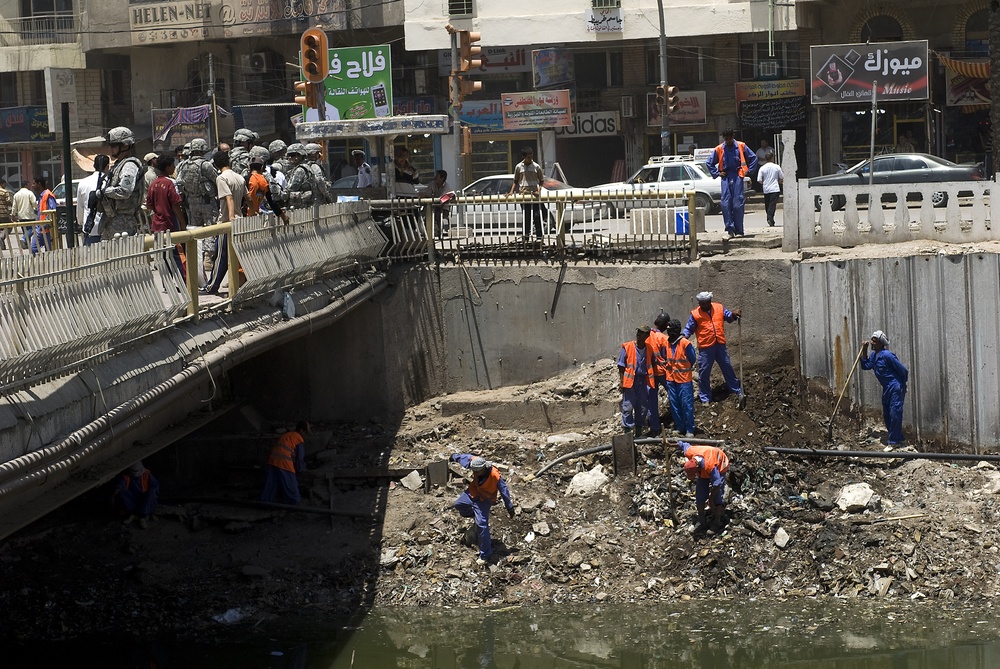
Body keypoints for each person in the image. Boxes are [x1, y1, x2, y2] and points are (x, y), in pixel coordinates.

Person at [449, 453, 515, 565]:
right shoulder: (475, 462)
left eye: (477, 471)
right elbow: (464, 457)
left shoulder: (495, 476)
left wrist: (509, 507)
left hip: (484, 500)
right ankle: (475, 515)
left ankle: (485, 555)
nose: (474, 473)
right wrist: (454, 456)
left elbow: (504, 491)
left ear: (483, 468)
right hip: (473, 492)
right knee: (459, 504)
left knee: (482, 525)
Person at [682, 291, 742, 404]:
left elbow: (728, 316)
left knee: (727, 367)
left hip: (719, 344)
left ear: (709, 301)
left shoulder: (719, 308)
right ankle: (705, 397)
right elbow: (689, 328)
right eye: (701, 303)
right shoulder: (695, 314)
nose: (702, 306)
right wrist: (683, 337)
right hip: (706, 347)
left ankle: (735, 390)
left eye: (704, 303)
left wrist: (734, 314)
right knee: (704, 372)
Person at [202, 150, 247, 296]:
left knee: (220, 256)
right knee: (233, 256)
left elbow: (228, 197)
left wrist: (231, 217)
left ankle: (212, 286)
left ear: (215, 165)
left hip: (227, 223)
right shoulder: (239, 177)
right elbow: (248, 198)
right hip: (240, 222)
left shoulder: (221, 178)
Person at [173, 137, 220, 275]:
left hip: (191, 202)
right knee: (210, 229)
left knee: (195, 230)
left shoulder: (183, 165)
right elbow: (217, 179)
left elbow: (179, 183)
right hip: (206, 202)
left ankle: (196, 258)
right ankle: (207, 258)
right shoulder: (205, 165)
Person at [97, 126, 146, 240]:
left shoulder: (129, 165)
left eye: (114, 145)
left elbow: (125, 191)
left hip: (123, 223)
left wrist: (103, 193)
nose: (110, 149)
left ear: (125, 145)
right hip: (113, 220)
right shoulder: (118, 164)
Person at [860, 330, 909, 445]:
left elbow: (903, 371)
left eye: (874, 340)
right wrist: (864, 350)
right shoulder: (874, 355)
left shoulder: (887, 356)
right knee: (887, 414)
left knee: (895, 413)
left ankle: (894, 442)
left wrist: (902, 385)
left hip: (895, 386)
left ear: (881, 343)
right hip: (887, 388)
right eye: (872, 340)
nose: (872, 342)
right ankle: (898, 438)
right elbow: (866, 366)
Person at [706, 128, 756, 237]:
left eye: (730, 138)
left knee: (738, 204)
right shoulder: (719, 149)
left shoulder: (741, 146)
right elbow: (709, 163)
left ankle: (739, 230)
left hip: (738, 175)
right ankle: (730, 229)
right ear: (724, 138)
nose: (728, 141)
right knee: (725, 203)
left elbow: (753, 158)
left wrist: (749, 171)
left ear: (733, 137)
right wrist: (717, 173)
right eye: (726, 139)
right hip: (726, 177)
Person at [678, 441, 729, 531]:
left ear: (697, 468)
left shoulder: (710, 466)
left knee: (717, 496)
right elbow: (682, 444)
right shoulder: (690, 452)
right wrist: (669, 444)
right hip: (704, 469)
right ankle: (702, 522)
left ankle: (717, 522)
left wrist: (710, 499)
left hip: (720, 464)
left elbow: (717, 484)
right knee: (700, 495)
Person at [617, 325, 656, 434]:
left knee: (642, 407)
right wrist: (621, 381)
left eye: (642, 332)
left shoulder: (649, 348)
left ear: (647, 335)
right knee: (628, 407)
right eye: (638, 331)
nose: (638, 334)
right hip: (630, 382)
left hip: (642, 381)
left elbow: (652, 362)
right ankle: (627, 432)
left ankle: (639, 432)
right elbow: (621, 365)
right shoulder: (628, 347)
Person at [261, 422, 312, 505]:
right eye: (306, 432)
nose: (305, 435)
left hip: (272, 460)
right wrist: (301, 469)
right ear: (302, 430)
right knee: (291, 486)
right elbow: (300, 458)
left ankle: (266, 504)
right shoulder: (298, 438)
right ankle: (294, 504)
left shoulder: (288, 435)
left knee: (270, 486)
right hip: (284, 462)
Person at [664, 318, 697, 437]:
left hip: (683, 379)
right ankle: (680, 426)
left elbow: (692, 359)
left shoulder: (685, 343)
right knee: (674, 404)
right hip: (671, 379)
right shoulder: (667, 343)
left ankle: (689, 429)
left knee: (686, 404)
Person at [508, 147, 545, 239]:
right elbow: (515, 181)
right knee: (526, 217)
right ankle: (526, 238)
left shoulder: (536, 166)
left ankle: (539, 238)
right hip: (524, 195)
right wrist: (511, 191)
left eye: (531, 156)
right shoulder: (518, 167)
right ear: (524, 157)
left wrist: (538, 190)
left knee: (537, 217)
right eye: (528, 157)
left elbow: (541, 181)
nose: (530, 158)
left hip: (534, 195)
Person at [113, 461, 160, 528]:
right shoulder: (127, 475)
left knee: (151, 492)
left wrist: (152, 490)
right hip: (132, 499)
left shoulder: (147, 473)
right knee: (121, 493)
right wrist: (117, 490)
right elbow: (121, 483)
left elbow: (155, 484)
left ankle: (142, 517)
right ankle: (133, 514)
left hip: (144, 499)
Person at [646, 313, 671, 437]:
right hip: (663, 372)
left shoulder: (645, 336)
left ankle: (654, 427)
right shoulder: (663, 338)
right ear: (666, 326)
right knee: (673, 395)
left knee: (651, 401)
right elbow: (668, 356)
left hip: (650, 373)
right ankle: (678, 421)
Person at [78, 154, 111, 246]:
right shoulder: (110, 182)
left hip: (90, 229)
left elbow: (80, 208)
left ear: (93, 166)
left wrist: (81, 223)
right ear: (107, 166)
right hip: (107, 228)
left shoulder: (83, 183)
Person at [246, 156, 289, 222]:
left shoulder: (246, 179)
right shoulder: (264, 181)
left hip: (244, 215)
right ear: (262, 167)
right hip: (254, 216)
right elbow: (271, 201)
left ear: (249, 167)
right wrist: (283, 216)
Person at [756, 151, 784, 227]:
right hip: (775, 188)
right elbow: (781, 177)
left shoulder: (762, 168)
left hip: (766, 189)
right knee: (772, 205)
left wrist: (764, 183)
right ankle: (770, 218)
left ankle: (770, 218)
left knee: (767, 205)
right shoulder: (777, 167)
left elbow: (759, 180)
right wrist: (779, 182)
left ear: (765, 159)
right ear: (772, 158)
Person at [285, 144, 316, 209]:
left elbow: (292, 188)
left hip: (300, 206)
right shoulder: (306, 167)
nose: (290, 158)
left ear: (299, 156)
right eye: (289, 155)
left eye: (292, 155)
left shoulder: (299, 170)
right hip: (306, 205)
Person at [30, 177, 56, 254]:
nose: (32, 185)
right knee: (34, 248)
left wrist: (46, 222)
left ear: (39, 184)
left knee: (49, 251)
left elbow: (52, 210)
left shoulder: (48, 195)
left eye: (34, 183)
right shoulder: (41, 196)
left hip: (47, 229)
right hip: (40, 228)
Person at [12, 181, 37, 249]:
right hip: (30, 215)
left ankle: (26, 244)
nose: (30, 186)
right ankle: (23, 239)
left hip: (21, 216)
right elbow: (34, 202)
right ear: (26, 185)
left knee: (25, 231)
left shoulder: (16, 194)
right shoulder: (29, 193)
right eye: (29, 185)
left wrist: (13, 214)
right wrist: (36, 207)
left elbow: (14, 206)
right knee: (32, 230)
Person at [429, 169, 452, 237]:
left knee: (437, 213)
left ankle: (438, 232)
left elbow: (443, 198)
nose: (435, 177)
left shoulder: (447, 187)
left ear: (442, 178)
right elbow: (427, 193)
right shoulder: (432, 184)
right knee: (425, 213)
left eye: (437, 176)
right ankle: (427, 233)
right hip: (432, 207)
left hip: (443, 208)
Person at [0, 177, 12, 245]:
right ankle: (1, 237)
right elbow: (8, 202)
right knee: (9, 226)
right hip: (4, 213)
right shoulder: (5, 191)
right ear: (2, 184)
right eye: (5, 184)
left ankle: (2, 243)